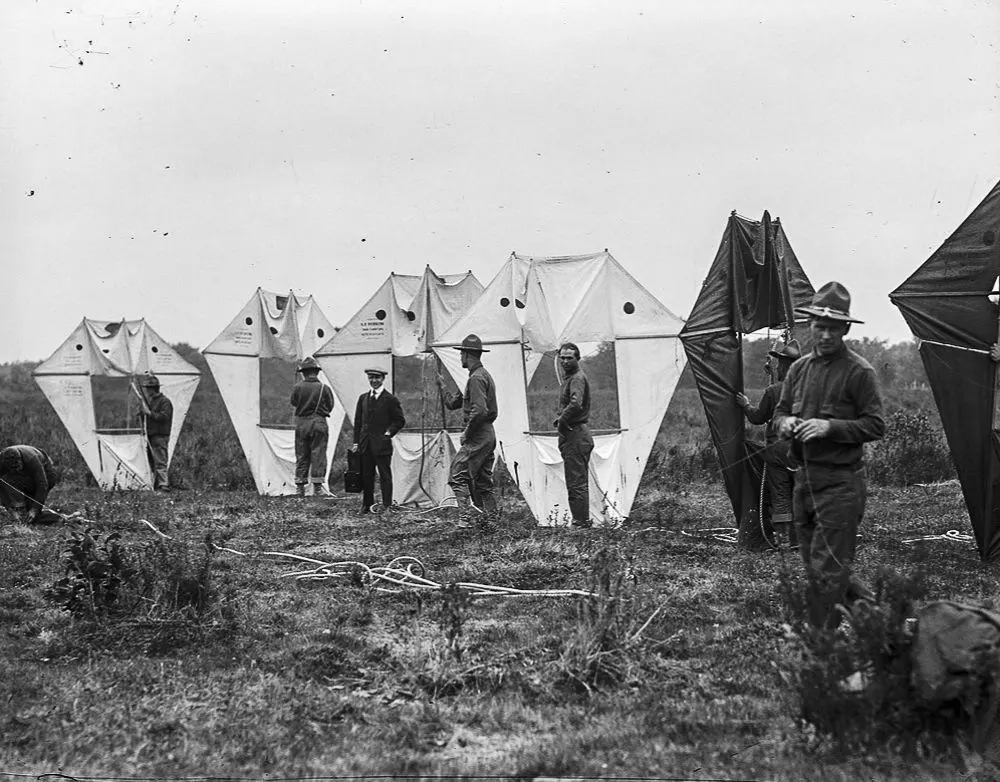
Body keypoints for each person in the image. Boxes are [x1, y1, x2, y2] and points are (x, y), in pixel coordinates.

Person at [773, 281, 886, 631]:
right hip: (803, 482)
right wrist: (786, 422)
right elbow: (778, 414)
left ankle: (821, 647)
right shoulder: (798, 369)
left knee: (827, 571)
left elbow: (875, 425)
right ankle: (884, 625)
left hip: (840, 484)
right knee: (818, 568)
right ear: (810, 326)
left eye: (833, 328)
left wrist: (829, 428)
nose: (824, 335)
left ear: (846, 329)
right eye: (819, 327)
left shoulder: (859, 372)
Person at [736, 339, 801, 549]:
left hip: (777, 451)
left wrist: (745, 406)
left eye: (780, 363)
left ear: (784, 365)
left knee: (780, 493)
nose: (778, 366)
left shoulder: (773, 391)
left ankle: (783, 539)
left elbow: (758, 417)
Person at [437, 333, 498, 518]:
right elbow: (454, 403)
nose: (460, 357)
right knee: (483, 482)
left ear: (466, 355)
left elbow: (479, 411)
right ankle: (491, 521)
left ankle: (466, 519)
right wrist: (443, 387)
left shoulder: (476, 379)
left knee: (457, 474)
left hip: (478, 435)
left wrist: (467, 433)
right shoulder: (479, 376)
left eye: (461, 353)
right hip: (487, 435)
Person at [350, 368, 405, 514]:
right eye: (371, 378)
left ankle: (387, 505)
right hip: (365, 444)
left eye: (377, 378)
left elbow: (399, 421)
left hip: (382, 445)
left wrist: (388, 433)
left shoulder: (390, 399)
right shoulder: (363, 398)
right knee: (366, 476)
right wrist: (356, 442)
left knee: (385, 476)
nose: (374, 381)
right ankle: (367, 504)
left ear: (383, 379)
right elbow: (358, 422)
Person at [553, 342, 593, 528]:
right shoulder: (570, 379)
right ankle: (580, 521)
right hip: (573, 434)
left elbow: (576, 404)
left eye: (569, 357)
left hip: (576, 433)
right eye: (562, 357)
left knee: (576, 482)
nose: (565, 361)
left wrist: (562, 420)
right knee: (575, 480)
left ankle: (581, 523)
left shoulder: (576, 378)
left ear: (578, 358)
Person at [289, 356, 336, 497]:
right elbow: (330, 405)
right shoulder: (324, 388)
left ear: (303, 372)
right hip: (319, 422)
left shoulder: (297, 387)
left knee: (302, 454)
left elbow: (294, 402)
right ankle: (317, 487)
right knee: (318, 454)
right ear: (316, 372)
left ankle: (300, 487)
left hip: (302, 423)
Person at [0, 444, 62, 524]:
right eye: (12, 468)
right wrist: (9, 507)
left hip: (47, 474)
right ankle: (18, 508)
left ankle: (63, 519)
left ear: (20, 460)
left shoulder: (32, 459)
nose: (15, 470)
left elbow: (42, 485)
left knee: (33, 515)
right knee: (6, 480)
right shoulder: (1, 459)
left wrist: (35, 509)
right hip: (26, 475)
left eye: (17, 467)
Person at [137, 373, 173, 492]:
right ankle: (156, 483)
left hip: (160, 435)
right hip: (152, 435)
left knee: (160, 461)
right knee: (152, 461)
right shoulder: (152, 401)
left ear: (153, 389)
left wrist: (149, 413)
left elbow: (164, 417)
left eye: (147, 388)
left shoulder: (165, 401)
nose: (146, 391)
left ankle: (164, 484)